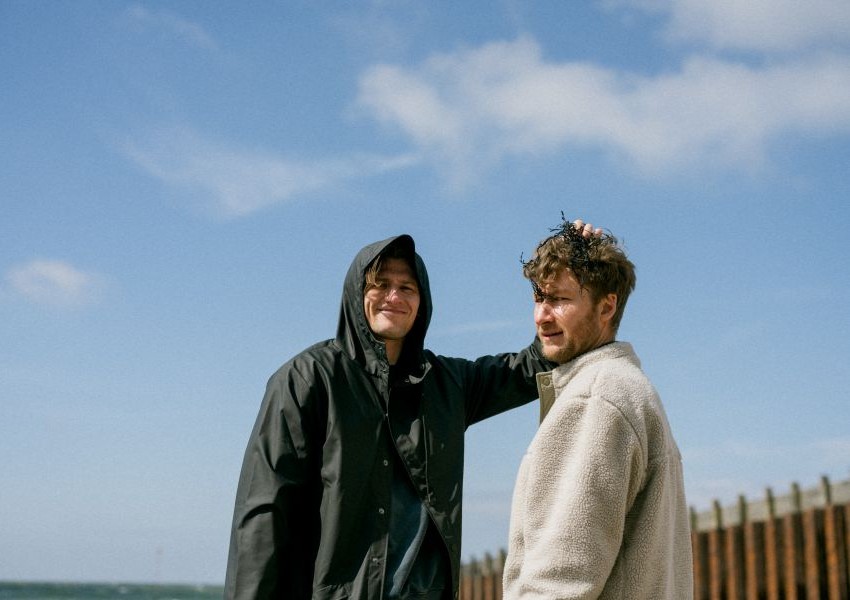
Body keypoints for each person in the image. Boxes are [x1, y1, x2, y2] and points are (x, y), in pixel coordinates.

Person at [225, 233, 563, 600]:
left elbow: (533, 365)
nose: (394, 297)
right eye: (381, 284)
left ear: (422, 301)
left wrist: (564, 270)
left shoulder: (448, 384)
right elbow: (263, 515)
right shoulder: (307, 380)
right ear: (357, 294)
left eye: (407, 287)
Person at [503, 217, 693, 599]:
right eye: (539, 298)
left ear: (607, 307)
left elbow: (559, 581)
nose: (541, 315)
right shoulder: (628, 389)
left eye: (559, 300)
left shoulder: (597, 399)